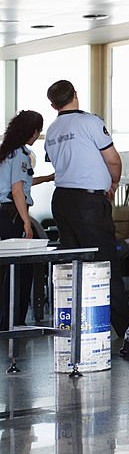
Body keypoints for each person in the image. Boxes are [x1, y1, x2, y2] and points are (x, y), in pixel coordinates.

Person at [44, 80, 129, 338]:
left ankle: (80, 326)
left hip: (61, 201)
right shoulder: (91, 122)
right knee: (106, 263)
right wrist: (114, 182)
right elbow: (112, 158)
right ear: (75, 95)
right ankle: (127, 331)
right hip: (89, 204)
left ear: (53, 105)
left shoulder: (52, 130)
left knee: (74, 265)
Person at [0, 111, 53, 329]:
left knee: (4, 268)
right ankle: (14, 320)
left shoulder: (5, 153)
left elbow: (25, 182)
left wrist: (49, 178)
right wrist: (25, 222)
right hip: (11, 214)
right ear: (33, 132)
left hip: (2, 214)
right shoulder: (21, 154)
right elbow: (17, 190)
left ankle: (4, 320)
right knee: (20, 268)